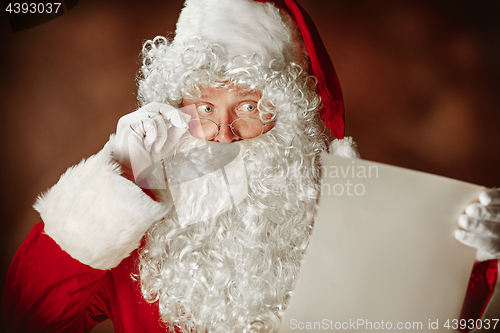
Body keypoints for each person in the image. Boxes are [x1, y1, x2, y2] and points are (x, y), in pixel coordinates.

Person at [2, 0, 499, 332]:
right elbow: (28, 316)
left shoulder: (356, 213)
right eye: (203, 107)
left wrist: (480, 265)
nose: (222, 133)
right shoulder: (136, 231)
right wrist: (115, 177)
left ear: (290, 114)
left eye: (248, 106)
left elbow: (431, 320)